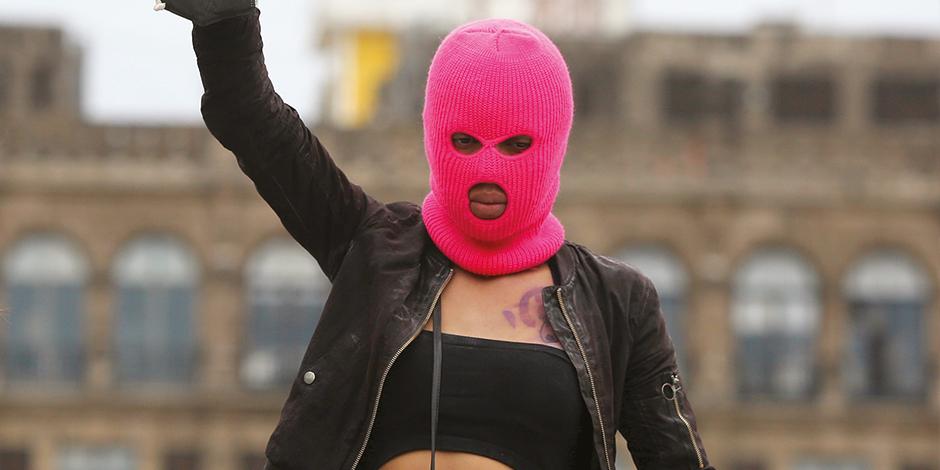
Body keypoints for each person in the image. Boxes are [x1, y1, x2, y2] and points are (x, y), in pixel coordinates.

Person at [151, 1, 717, 469]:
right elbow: (256, 124)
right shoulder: (374, 248)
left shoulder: (618, 302)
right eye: (466, 142)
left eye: (516, 145)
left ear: (552, 144)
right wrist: (225, 22)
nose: (489, 169)